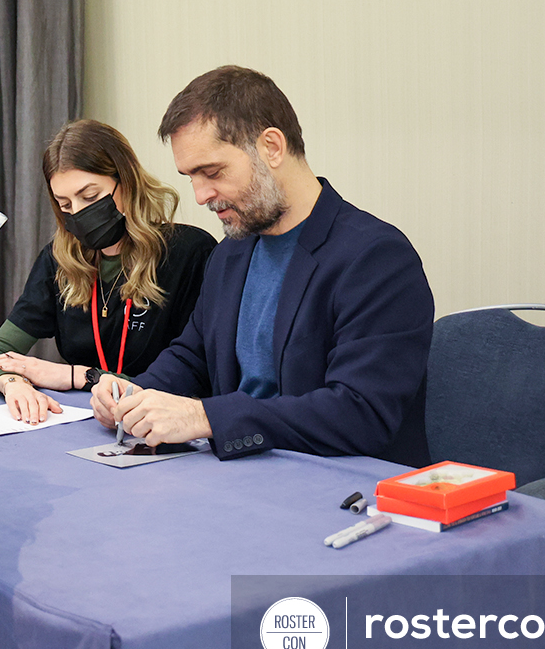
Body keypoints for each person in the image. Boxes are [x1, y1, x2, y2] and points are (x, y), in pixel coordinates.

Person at [91, 65, 433, 466]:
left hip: (342, 486)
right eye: (191, 178)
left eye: (212, 172)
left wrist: (206, 417)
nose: (201, 196)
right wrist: (133, 394)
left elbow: (360, 413)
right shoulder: (230, 253)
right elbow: (193, 356)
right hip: (246, 473)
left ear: (272, 146)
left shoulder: (376, 257)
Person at [0, 119, 217, 424]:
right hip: (86, 425)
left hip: (161, 429)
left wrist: (77, 376)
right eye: (65, 204)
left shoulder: (189, 253)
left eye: (89, 197)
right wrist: (13, 384)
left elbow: (194, 382)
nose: (77, 214)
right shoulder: (60, 259)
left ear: (126, 183)